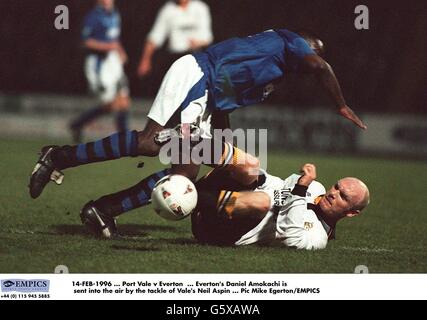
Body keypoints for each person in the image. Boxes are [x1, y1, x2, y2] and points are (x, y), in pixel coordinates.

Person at [29, 28, 367, 238]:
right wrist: (340, 104)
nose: (311, 61)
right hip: (196, 74)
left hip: (208, 93)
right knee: (150, 143)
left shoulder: (272, 73)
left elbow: (224, 106)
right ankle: (58, 156)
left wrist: (222, 148)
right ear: (304, 47)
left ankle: (102, 210)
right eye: (311, 52)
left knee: (185, 175)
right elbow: (320, 67)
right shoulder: (290, 43)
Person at [192, 163, 370, 250]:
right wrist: (262, 178)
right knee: (250, 166)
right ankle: (185, 150)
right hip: (228, 202)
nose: (334, 193)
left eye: (343, 196)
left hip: (223, 231)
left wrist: (299, 190)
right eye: (337, 186)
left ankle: (191, 199)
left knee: (262, 202)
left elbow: (289, 237)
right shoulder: (316, 188)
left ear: (352, 213)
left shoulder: (319, 237)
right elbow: (285, 185)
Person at [69, 0, 131, 143]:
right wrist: (108, 47)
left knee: (124, 99)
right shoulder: (93, 16)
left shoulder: (115, 13)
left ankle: (125, 140)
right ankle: (77, 124)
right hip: (99, 65)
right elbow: (85, 42)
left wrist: (120, 51)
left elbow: (114, 39)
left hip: (113, 62)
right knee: (111, 104)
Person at [137, 0, 213, 90]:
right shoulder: (168, 10)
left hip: (198, 58)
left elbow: (207, 37)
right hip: (176, 59)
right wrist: (145, 60)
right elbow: (155, 37)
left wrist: (198, 43)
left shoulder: (200, 8)